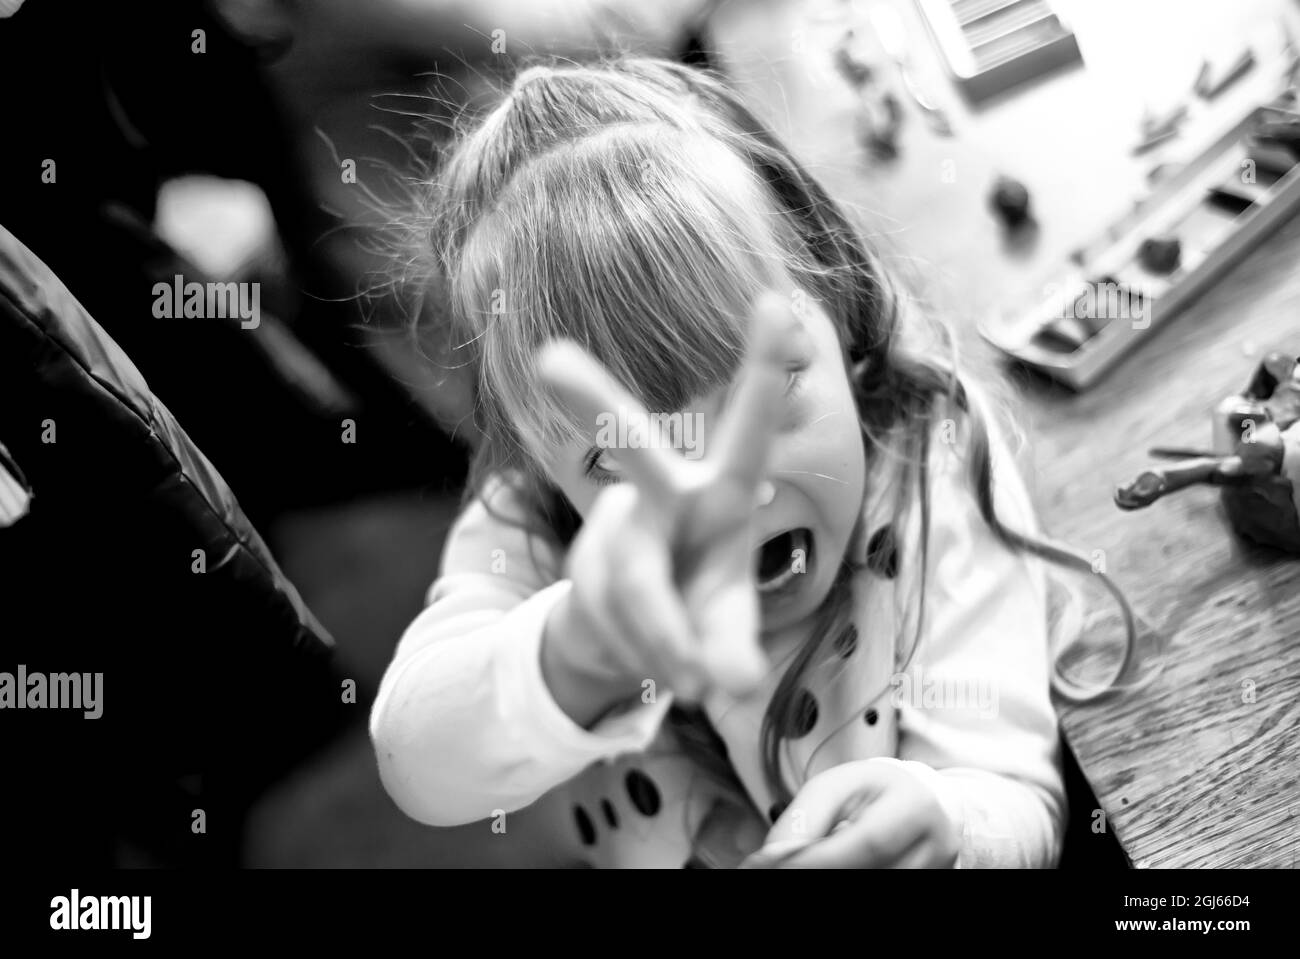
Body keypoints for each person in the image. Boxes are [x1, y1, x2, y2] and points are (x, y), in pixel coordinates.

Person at [369, 57, 1135, 868]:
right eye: (621, 458)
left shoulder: (925, 455)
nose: (726, 494)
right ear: (542, 469)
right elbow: (415, 764)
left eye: (762, 391)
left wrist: (947, 827)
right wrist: (582, 650)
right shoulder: (528, 526)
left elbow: (1011, 793)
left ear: (838, 307)